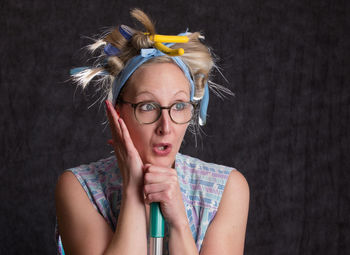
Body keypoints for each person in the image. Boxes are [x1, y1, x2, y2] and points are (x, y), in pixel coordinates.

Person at [55, 9, 249, 255]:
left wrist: (179, 221)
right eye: (148, 106)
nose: (165, 127)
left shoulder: (226, 189)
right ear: (117, 114)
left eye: (179, 106)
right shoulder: (79, 188)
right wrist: (133, 189)